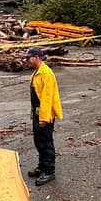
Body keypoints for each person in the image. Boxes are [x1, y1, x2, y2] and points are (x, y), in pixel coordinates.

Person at [25, 46, 62, 186]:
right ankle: (42, 166)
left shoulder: (46, 73)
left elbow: (47, 98)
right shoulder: (37, 72)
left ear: (37, 57)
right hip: (37, 113)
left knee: (46, 143)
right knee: (38, 141)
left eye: (29, 57)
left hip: (44, 116)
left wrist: (44, 118)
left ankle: (49, 171)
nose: (27, 60)